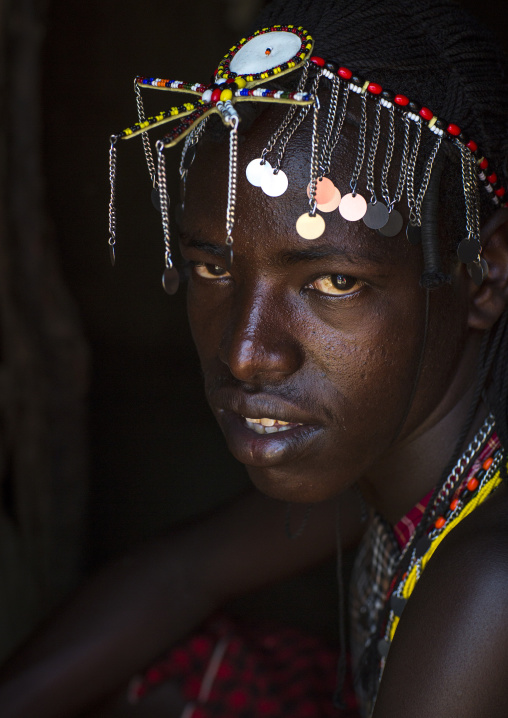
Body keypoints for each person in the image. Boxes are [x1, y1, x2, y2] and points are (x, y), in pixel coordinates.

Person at [1, 0, 508, 716]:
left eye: (335, 282)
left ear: (485, 273)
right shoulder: (394, 462)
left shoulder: (488, 585)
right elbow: (180, 575)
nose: (245, 354)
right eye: (215, 272)